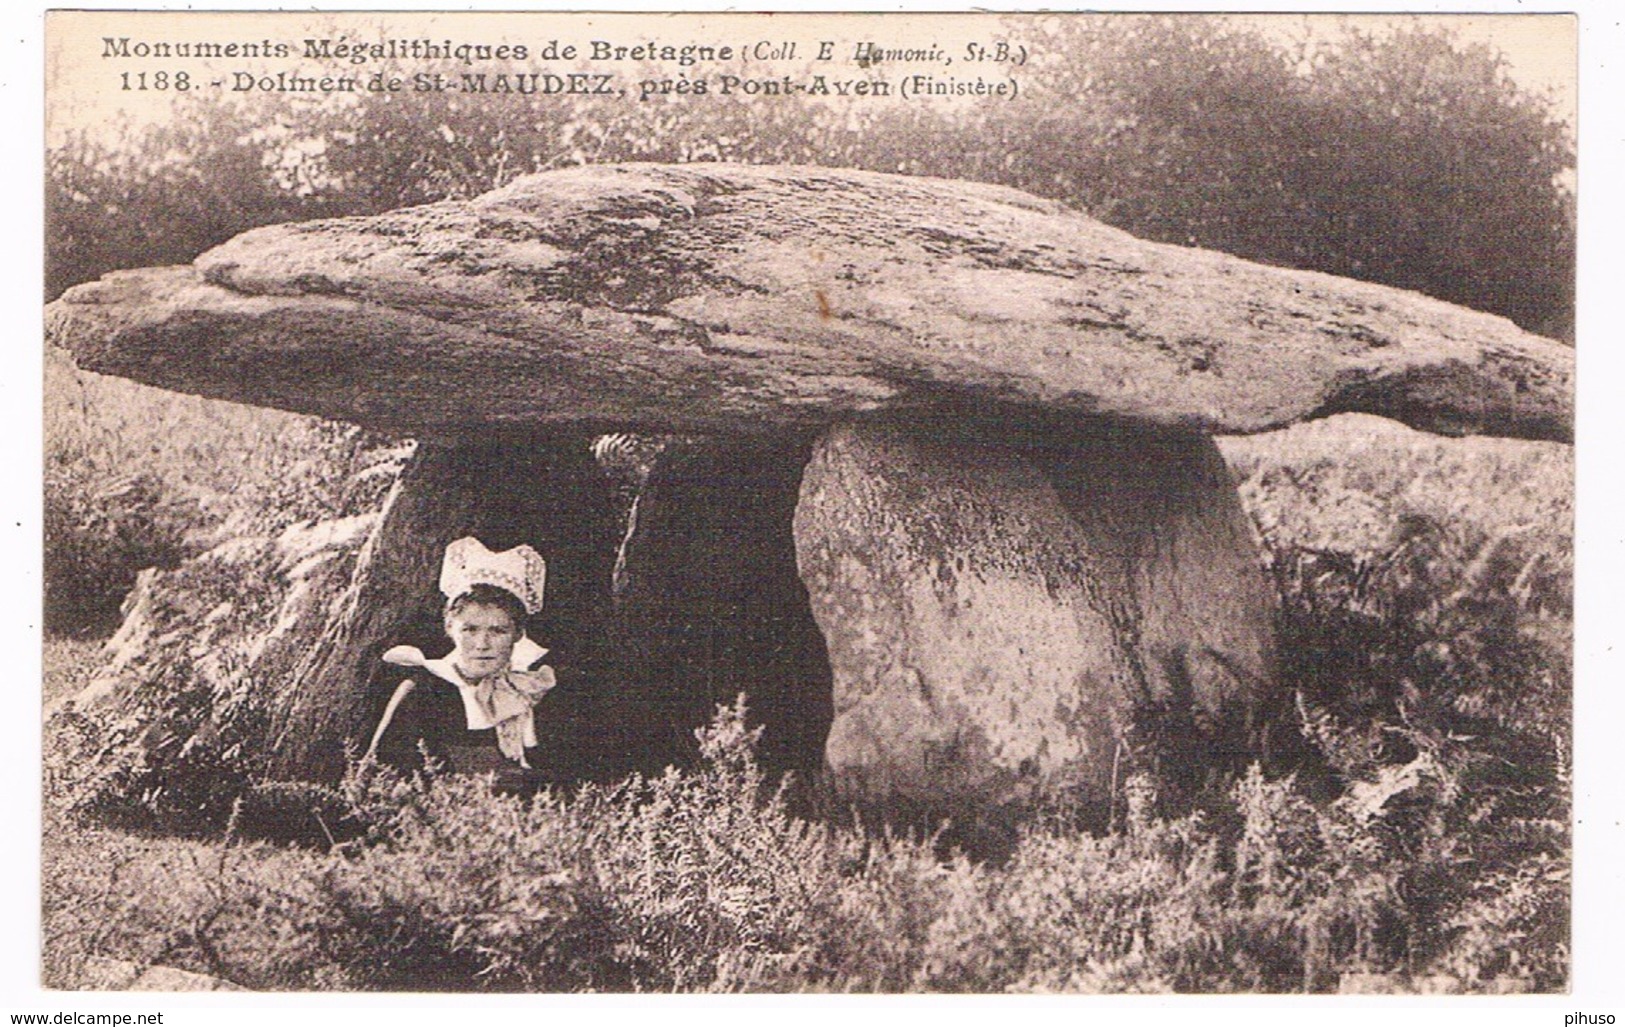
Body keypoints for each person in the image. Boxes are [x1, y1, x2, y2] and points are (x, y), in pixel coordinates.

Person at [364, 537, 557, 792]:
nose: (482, 644)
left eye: (498, 631)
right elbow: (379, 780)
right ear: (450, 629)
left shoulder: (529, 691)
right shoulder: (423, 692)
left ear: (519, 634)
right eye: (470, 629)